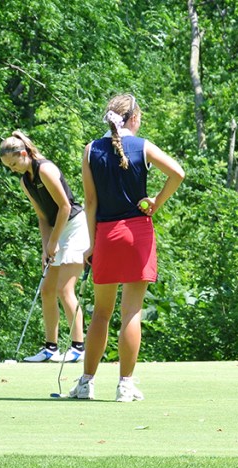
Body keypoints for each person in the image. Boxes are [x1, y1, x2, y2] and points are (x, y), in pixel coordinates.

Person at [66, 94, 185, 401]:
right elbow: (178, 173)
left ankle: (87, 383)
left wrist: (91, 244)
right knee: (131, 312)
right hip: (138, 233)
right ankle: (125, 386)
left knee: (101, 314)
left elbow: (90, 202)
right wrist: (156, 201)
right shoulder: (142, 146)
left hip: (106, 234)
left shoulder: (91, 149)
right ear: (134, 118)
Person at [0, 131, 89, 363]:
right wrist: (45, 247)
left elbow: (65, 207)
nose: (13, 169)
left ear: (23, 153)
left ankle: (79, 348)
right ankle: (51, 348)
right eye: (9, 166)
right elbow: (42, 216)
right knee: (47, 290)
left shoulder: (45, 169)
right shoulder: (25, 181)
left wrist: (53, 241)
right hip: (56, 229)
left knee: (64, 289)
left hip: (76, 226)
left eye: (14, 163)